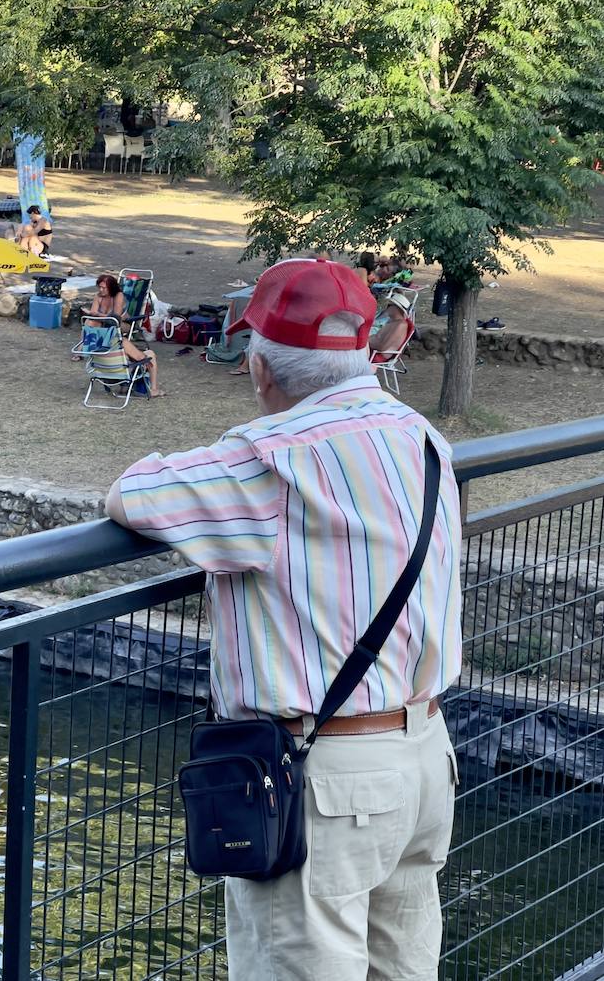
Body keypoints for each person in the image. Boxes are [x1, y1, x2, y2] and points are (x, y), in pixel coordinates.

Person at [106, 257, 461, 981]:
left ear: (260, 367)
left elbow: (133, 494)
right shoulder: (422, 438)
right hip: (425, 758)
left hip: (327, 785)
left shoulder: (271, 460)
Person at [83, 274, 165, 396]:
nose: (101, 290)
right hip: (116, 356)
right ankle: (153, 389)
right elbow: (141, 359)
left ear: (111, 287)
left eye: (104, 287)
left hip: (105, 357)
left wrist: (95, 315)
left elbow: (113, 317)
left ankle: (125, 385)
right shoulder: (121, 342)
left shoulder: (95, 348)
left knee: (90, 321)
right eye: (99, 287)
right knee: (149, 355)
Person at [369, 289, 414, 362]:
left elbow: (382, 347)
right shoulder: (393, 322)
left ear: (397, 308)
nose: (386, 308)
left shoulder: (400, 325)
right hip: (373, 350)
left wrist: (365, 340)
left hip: (377, 354)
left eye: (389, 305)